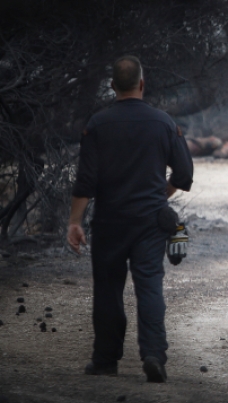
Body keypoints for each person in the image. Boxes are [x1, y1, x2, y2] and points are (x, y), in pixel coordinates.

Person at [67, 56, 193, 383]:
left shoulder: (97, 124)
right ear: (142, 84)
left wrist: (74, 222)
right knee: (149, 287)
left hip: (109, 221)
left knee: (108, 290)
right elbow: (184, 173)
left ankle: (106, 359)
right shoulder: (164, 123)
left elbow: (86, 181)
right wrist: (157, 197)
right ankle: (153, 355)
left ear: (112, 86)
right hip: (150, 222)